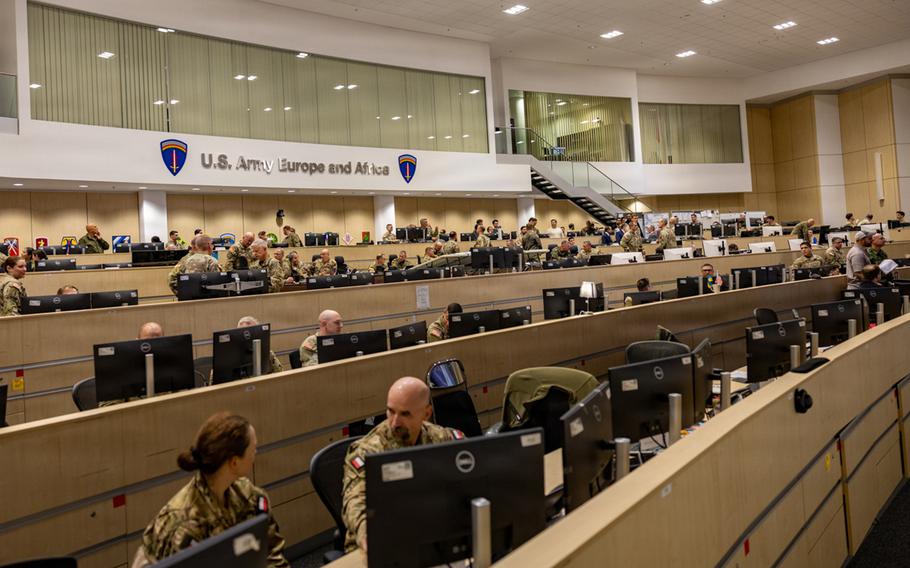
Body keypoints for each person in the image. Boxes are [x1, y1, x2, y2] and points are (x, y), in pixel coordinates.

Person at [133, 412, 289, 567]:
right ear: (234, 462)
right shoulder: (184, 524)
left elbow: (271, 552)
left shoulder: (249, 495)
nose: (256, 453)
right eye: (253, 448)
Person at [342, 377, 464, 553]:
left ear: (426, 414)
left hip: (431, 534)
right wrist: (368, 534)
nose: (395, 422)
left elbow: (473, 471)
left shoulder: (441, 438)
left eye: (405, 414)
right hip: (376, 544)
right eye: (391, 411)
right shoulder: (367, 451)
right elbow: (356, 501)